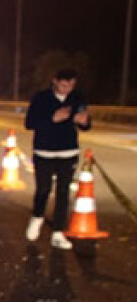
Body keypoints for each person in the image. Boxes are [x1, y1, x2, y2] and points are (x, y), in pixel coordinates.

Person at [24, 68, 91, 250]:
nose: (67, 89)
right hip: (44, 151)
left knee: (63, 193)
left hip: (68, 151)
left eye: (71, 85)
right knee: (43, 189)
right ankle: (37, 218)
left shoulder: (77, 98)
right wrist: (52, 118)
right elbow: (29, 123)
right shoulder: (41, 98)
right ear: (55, 81)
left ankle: (58, 232)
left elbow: (86, 124)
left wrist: (84, 122)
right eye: (63, 85)